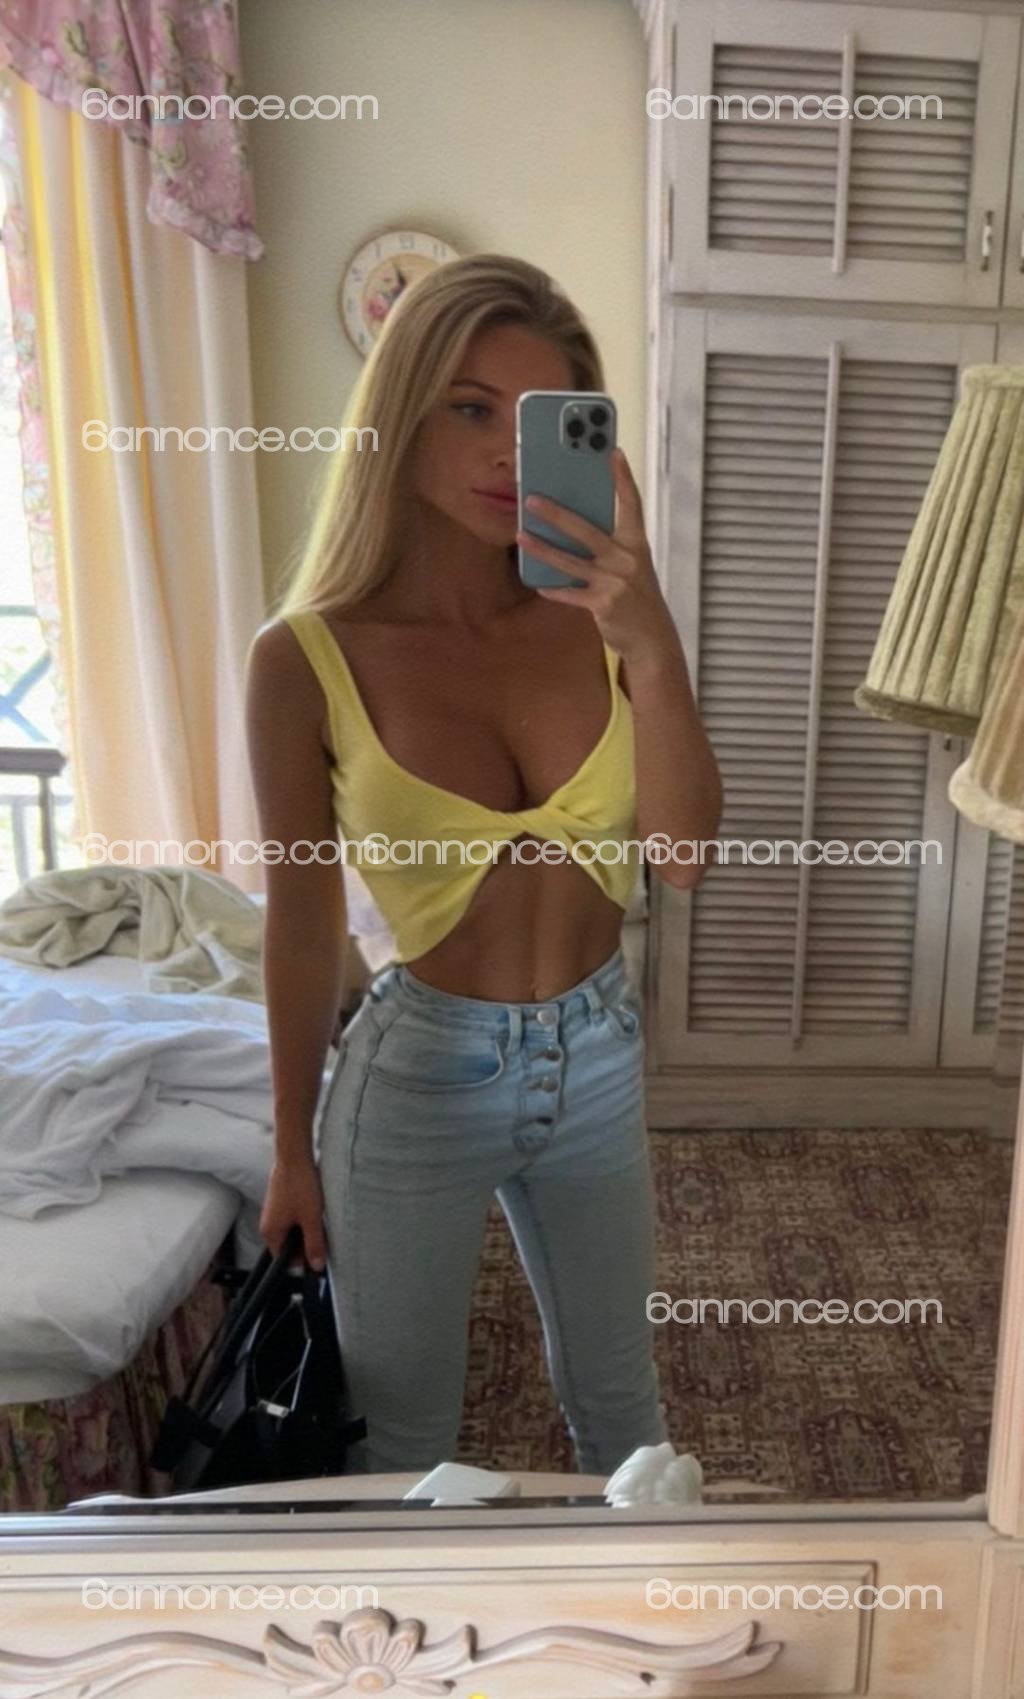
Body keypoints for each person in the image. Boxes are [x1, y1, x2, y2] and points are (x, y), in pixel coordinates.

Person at [244, 253, 722, 1476]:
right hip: (415, 1078)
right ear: (399, 416)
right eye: (469, 408)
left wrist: (652, 642)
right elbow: (301, 923)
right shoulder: (302, 659)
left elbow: (682, 855)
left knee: (624, 1414)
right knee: (406, 1442)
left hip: (597, 1056)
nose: (509, 453)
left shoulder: (604, 622)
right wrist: (289, 1144)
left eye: (539, 418)